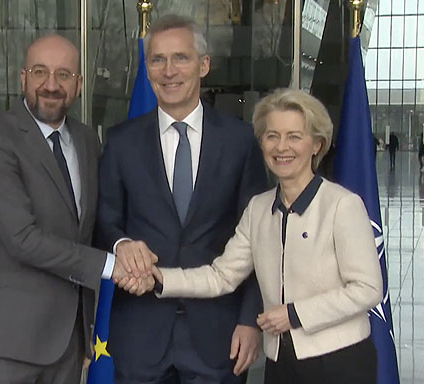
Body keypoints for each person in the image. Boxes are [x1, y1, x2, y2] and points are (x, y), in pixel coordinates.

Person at [122, 89, 383, 383]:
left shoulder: (342, 205)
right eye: (272, 136)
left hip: (340, 360)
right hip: (280, 362)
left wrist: (295, 314)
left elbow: (367, 288)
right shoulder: (259, 208)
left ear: (316, 144)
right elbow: (221, 276)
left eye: (294, 136)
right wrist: (160, 279)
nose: (281, 147)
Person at [96, 14, 268, 384]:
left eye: (181, 58)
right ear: (147, 68)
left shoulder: (240, 142)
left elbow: (260, 238)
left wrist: (249, 320)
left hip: (219, 333)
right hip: (140, 333)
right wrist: (122, 243)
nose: (168, 70)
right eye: (158, 59)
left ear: (203, 65)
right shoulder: (121, 142)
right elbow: (104, 221)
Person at [0, 35, 133, 384]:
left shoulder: (86, 141)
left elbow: (89, 226)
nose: (51, 85)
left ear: (79, 85)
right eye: (40, 72)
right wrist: (113, 266)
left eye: (64, 74)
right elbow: (21, 238)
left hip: (67, 342)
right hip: (4, 342)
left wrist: (127, 247)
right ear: (23, 77)